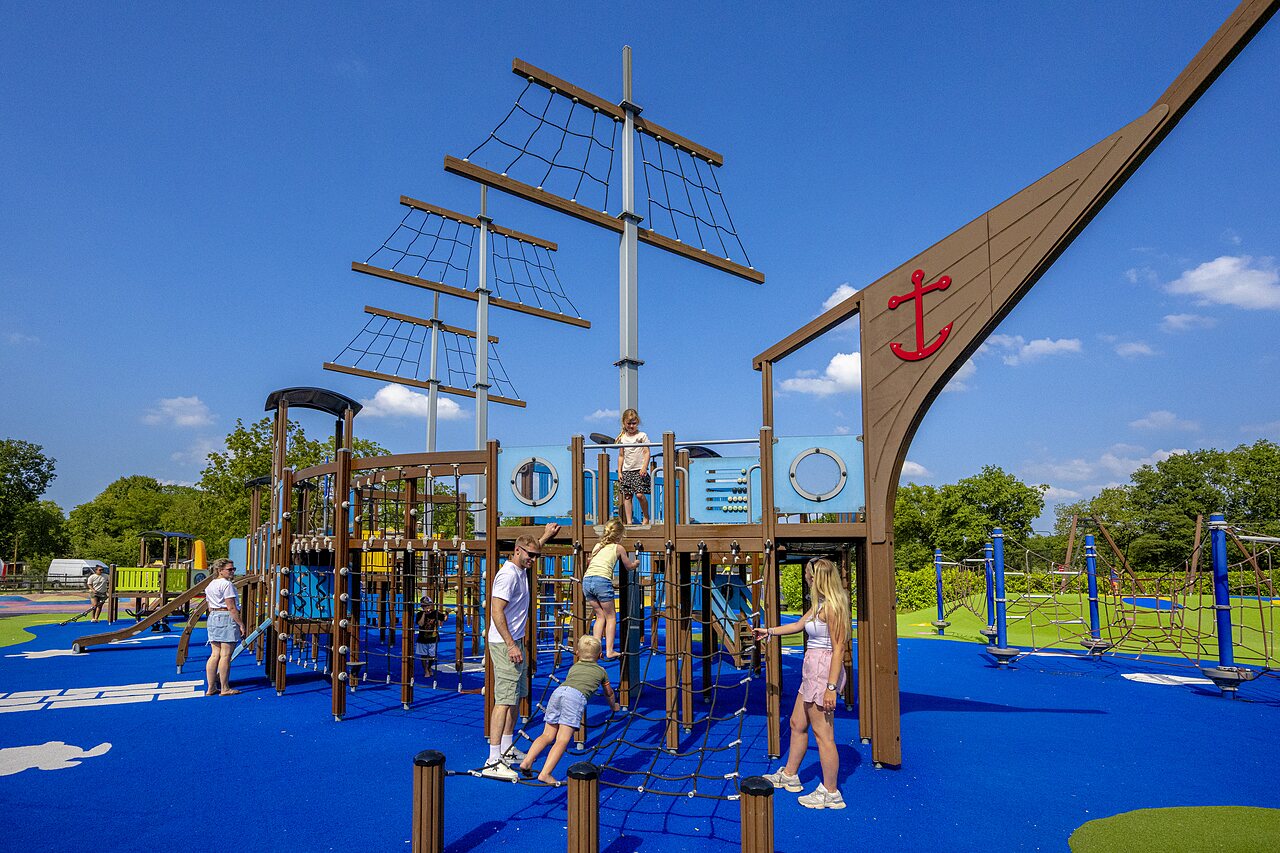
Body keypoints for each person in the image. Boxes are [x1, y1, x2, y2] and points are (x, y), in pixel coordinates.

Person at [753, 557, 850, 809]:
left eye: (809, 574)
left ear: (817, 577)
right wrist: (769, 632)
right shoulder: (818, 605)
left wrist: (831, 688)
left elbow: (839, 648)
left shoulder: (833, 607)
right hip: (812, 670)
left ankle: (831, 792)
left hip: (823, 672)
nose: (806, 578)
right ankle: (790, 775)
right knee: (797, 723)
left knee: (823, 734)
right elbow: (798, 625)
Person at [481, 521, 560, 780]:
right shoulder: (507, 575)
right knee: (503, 699)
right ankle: (493, 759)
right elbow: (496, 611)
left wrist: (545, 536)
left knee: (516, 696)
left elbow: (531, 547)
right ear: (516, 551)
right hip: (506, 644)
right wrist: (512, 645)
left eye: (537, 556)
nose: (534, 560)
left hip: (516, 640)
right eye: (530, 555)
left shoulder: (521, 567)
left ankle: (506, 747)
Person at [517, 634, 619, 784]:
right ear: (601, 655)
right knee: (562, 739)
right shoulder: (601, 671)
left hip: (558, 692)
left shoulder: (574, 667)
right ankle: (545, 773)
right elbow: (608, 692)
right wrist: (613, 706)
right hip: (575, 698)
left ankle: (527, 761)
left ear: (577, 653)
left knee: (547, 735)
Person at [582, 517, 637, 659]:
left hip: (587, 581)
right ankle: (610, 650)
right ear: (619, 536)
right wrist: (635, 563)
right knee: (611, 617)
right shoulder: (618, 548)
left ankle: (596, 650)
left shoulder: (597, 546)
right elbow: (628, 566)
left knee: (599, 616)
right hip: (602, 581)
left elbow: (590, 563)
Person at [204, 557, 246, 697]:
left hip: (213, 617)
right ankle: (224, 687)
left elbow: (209, 606)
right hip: (226, 617)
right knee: (226, 655)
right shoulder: (227, 585)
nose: (232, 572)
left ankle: (211, 687)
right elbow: (231, 607)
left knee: (214, 653)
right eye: (229, 569)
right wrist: (241, 624)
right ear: (220, 570)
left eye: (233, 569)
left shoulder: (210, 585)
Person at [616, 408, 651, 525]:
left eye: (634, 423)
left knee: (640, 494)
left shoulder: (641, 436)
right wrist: (620, 471)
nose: (631, 426)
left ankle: (646, 517)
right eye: (629, 423)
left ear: (638, 423)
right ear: (624, 423)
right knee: (627, 496)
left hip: (639, 469)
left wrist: (644, 467)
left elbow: (646, 452)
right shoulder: (623, 438)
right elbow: (621, 455)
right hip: (627, 470)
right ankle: (629, 521)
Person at [414, 596, 448, 678]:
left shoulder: (435, 613)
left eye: (428, 605)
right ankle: (425, 670)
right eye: (425, 606)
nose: (427, 607)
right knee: (423, 656)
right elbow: (420, 624)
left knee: (432, 656)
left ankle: (429, 667)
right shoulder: (419, 614)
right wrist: (424, 613)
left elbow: (444, 619)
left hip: (433, 638)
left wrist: (447, 613)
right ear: (422, 607)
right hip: (422, 638)